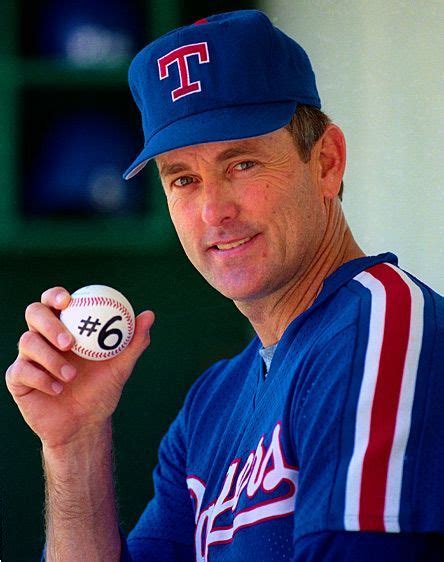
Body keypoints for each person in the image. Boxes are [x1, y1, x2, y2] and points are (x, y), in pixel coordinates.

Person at [6, 10, 444, 562]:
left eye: (241, 163)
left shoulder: (384, 327)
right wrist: (75, 445)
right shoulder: (212, 403)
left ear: (327, 163)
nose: (214, 211)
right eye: (183, 178)